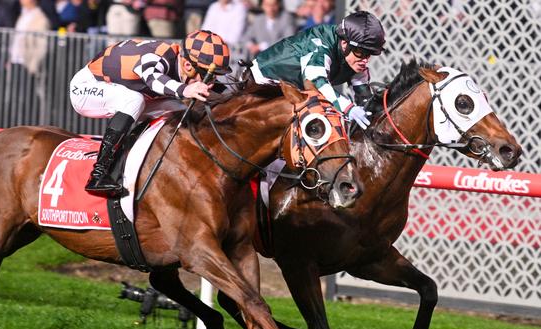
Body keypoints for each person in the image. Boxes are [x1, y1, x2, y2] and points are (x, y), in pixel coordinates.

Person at [69, 30, 232, 194]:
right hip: (85, 88)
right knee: (134, 100)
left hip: (123, 91)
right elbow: (153, 80)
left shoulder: (181, 64)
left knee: (179, 108)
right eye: (208, 76)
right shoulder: (157, 56)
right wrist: (185, 89)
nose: (211, 83)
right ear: (188, 65)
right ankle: (98, 174)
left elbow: (222, 91)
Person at [250, 10, 385, 130]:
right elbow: (317, 84)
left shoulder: (355, 57)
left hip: (293, 91)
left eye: (369, 54)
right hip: (261, 84)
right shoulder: (321, 45)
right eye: (361, 53)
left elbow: (364, 96)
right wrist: (349, 108)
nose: (365, 60)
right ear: (344, 44)